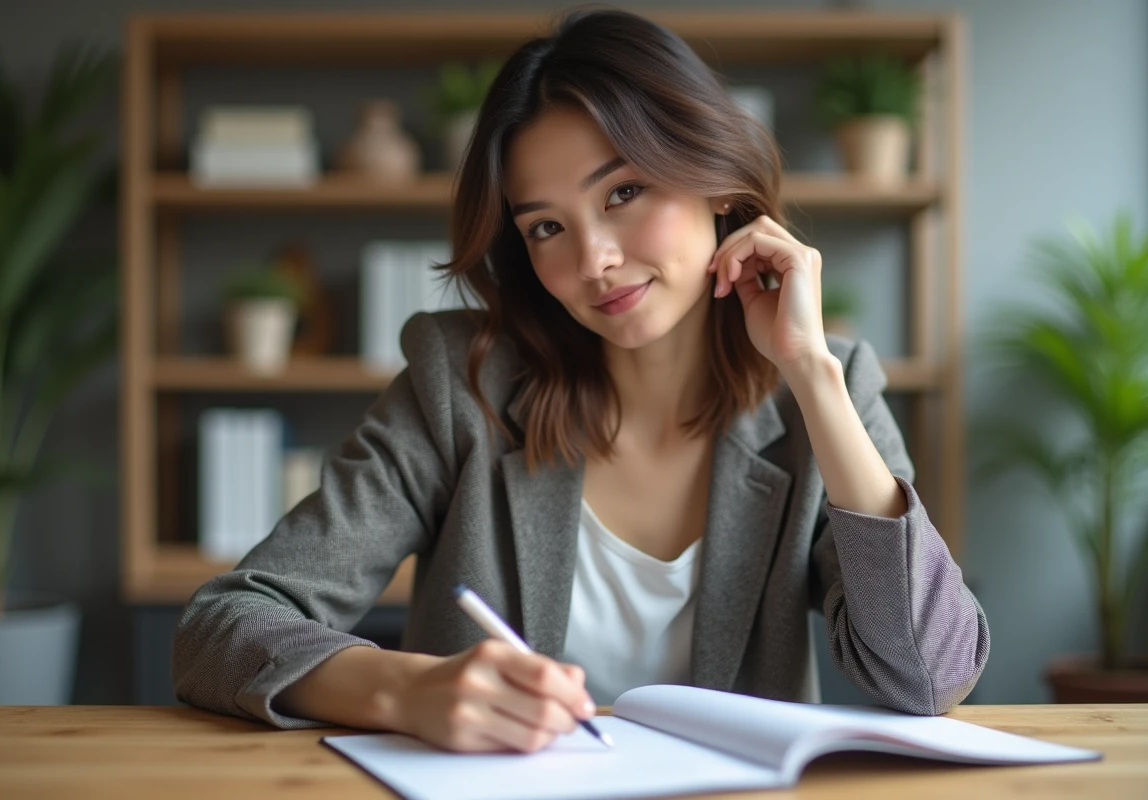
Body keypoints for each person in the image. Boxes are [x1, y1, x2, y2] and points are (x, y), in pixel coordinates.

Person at [173, 8, 989, 754]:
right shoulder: (461, 385)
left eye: (625, 192)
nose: (593, 260)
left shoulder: (831, 385)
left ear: (715, 178)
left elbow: (929, 674)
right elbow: (223, 626)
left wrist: (809, 372)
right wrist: (405, 686)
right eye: (546, 227)